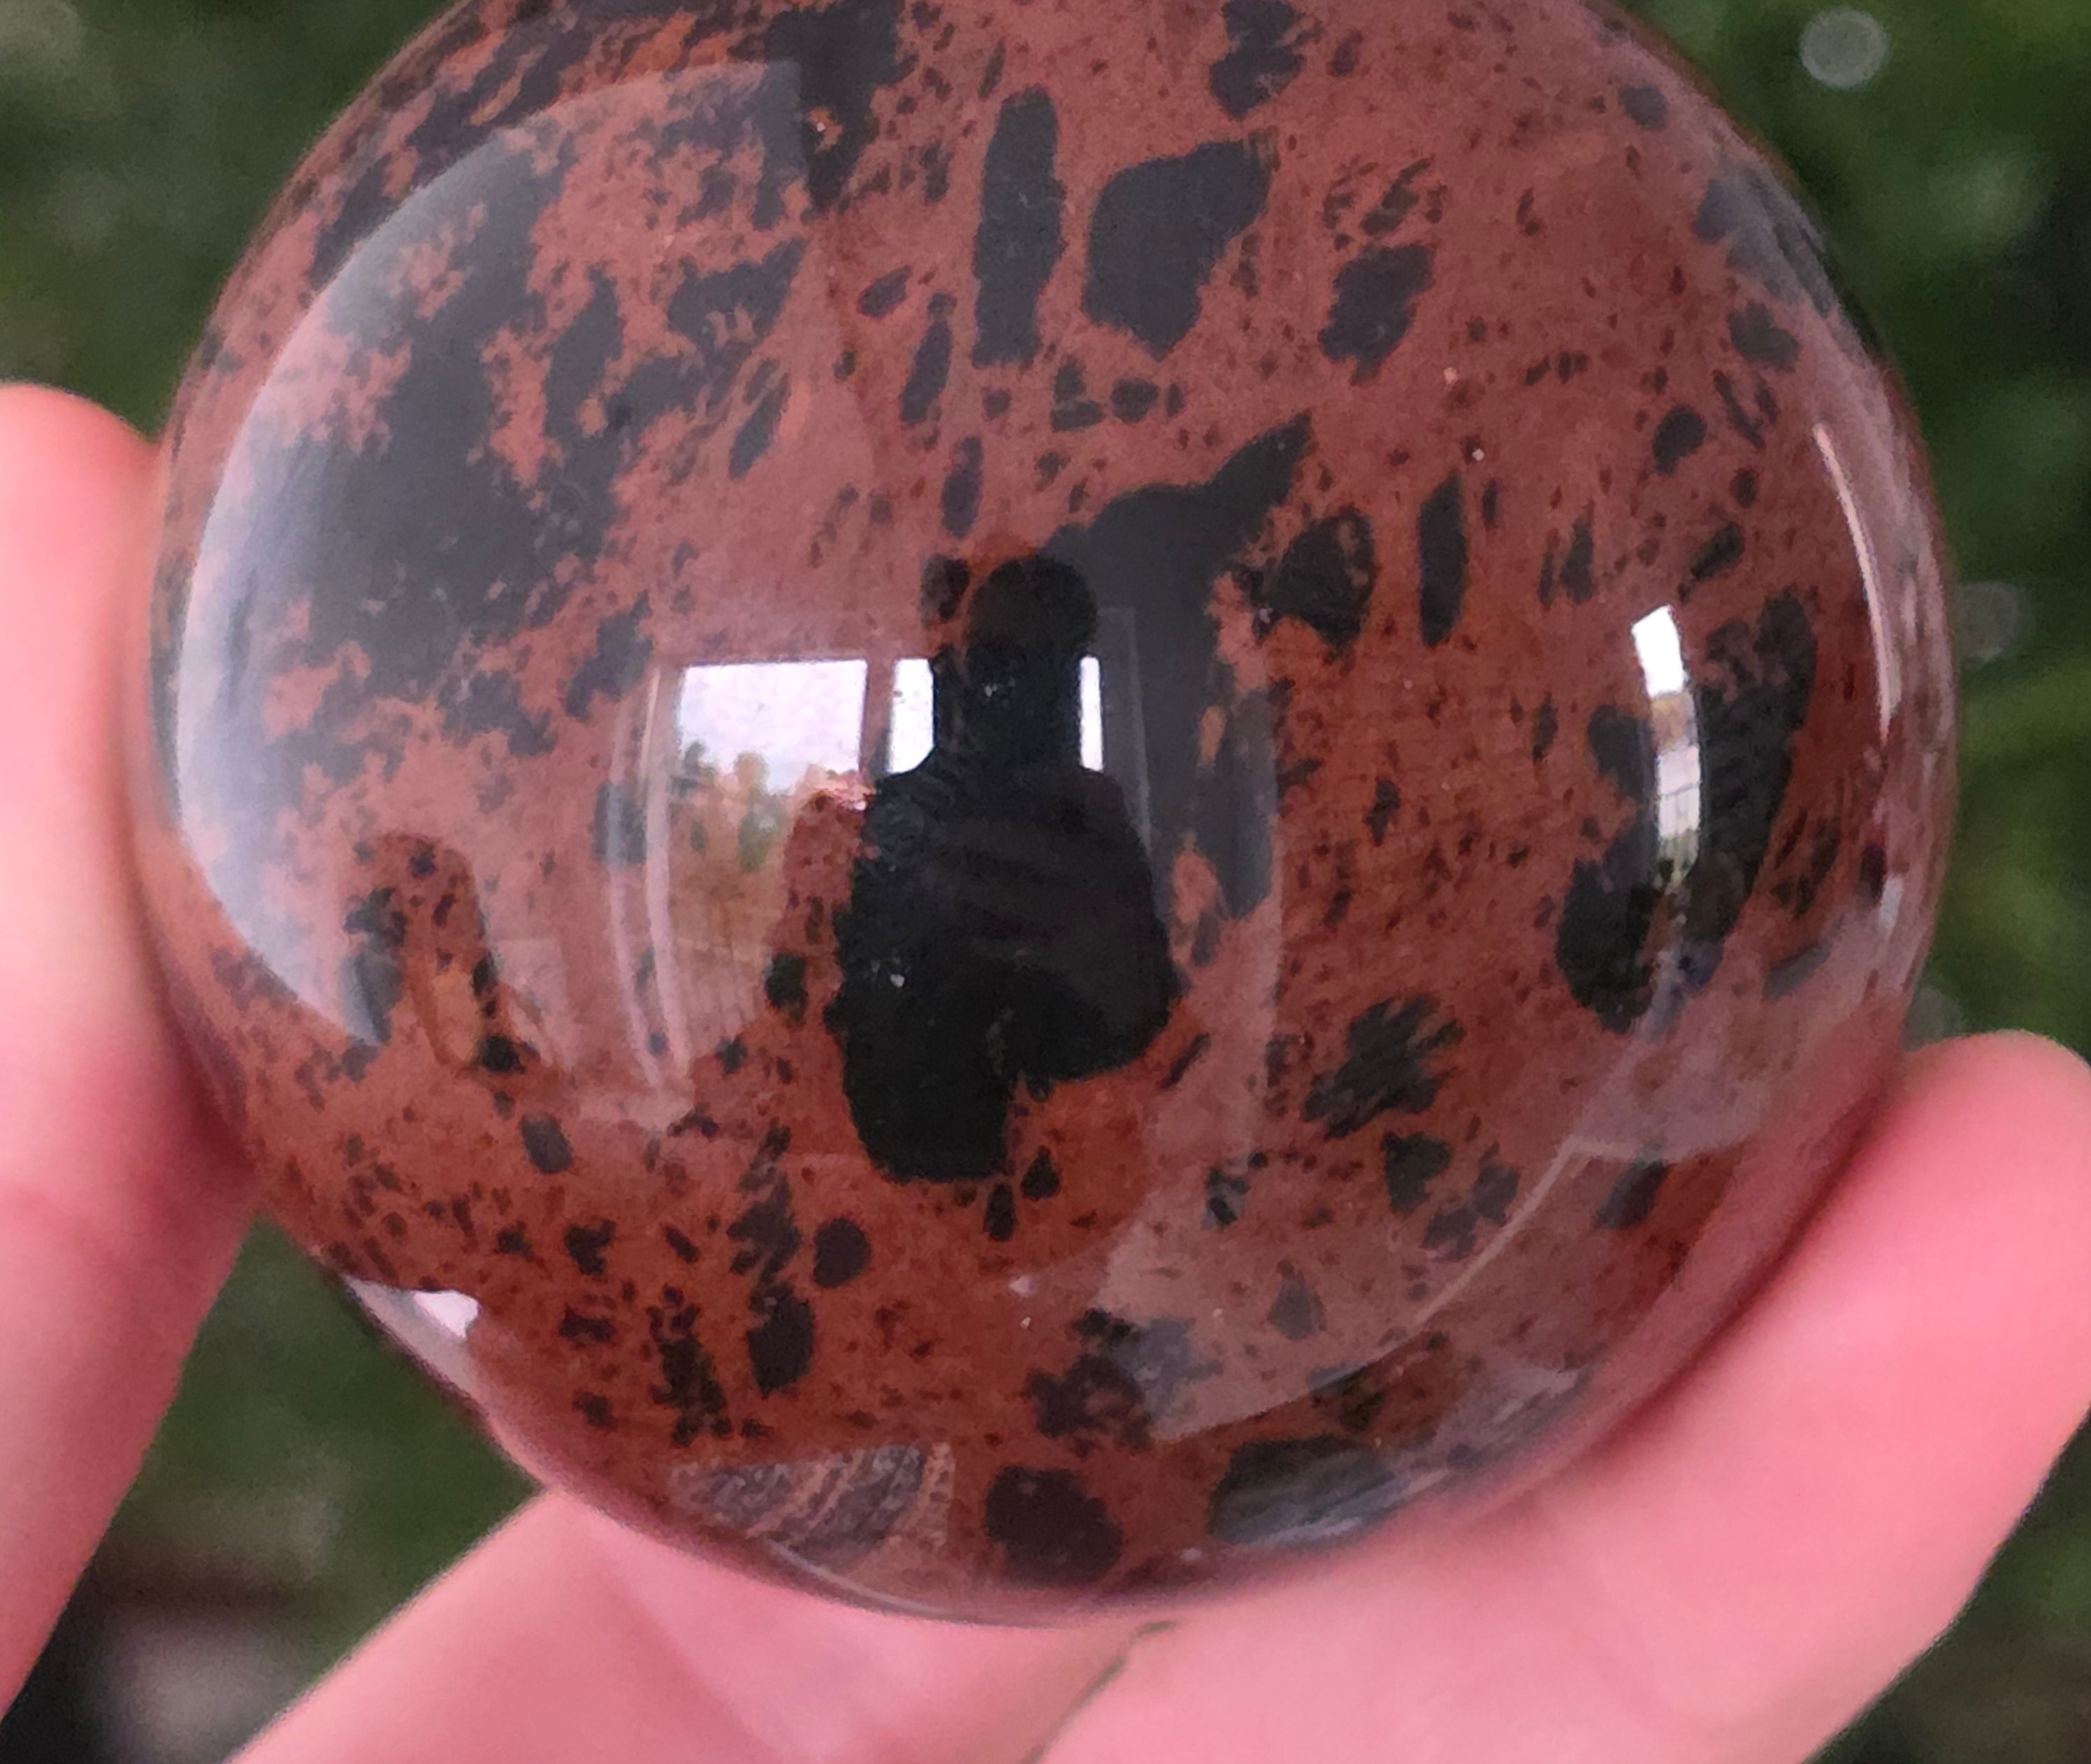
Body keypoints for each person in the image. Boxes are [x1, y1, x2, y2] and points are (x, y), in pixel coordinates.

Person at [3, 378, 2090, 1764]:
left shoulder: (1111, 867)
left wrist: (1112, 987)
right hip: (885, 1321)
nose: (990, 722)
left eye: (1023, 677)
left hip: (1150, 1312)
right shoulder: (828, 844)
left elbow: (1127, 1073)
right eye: (983, 677)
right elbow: (776, 1057)